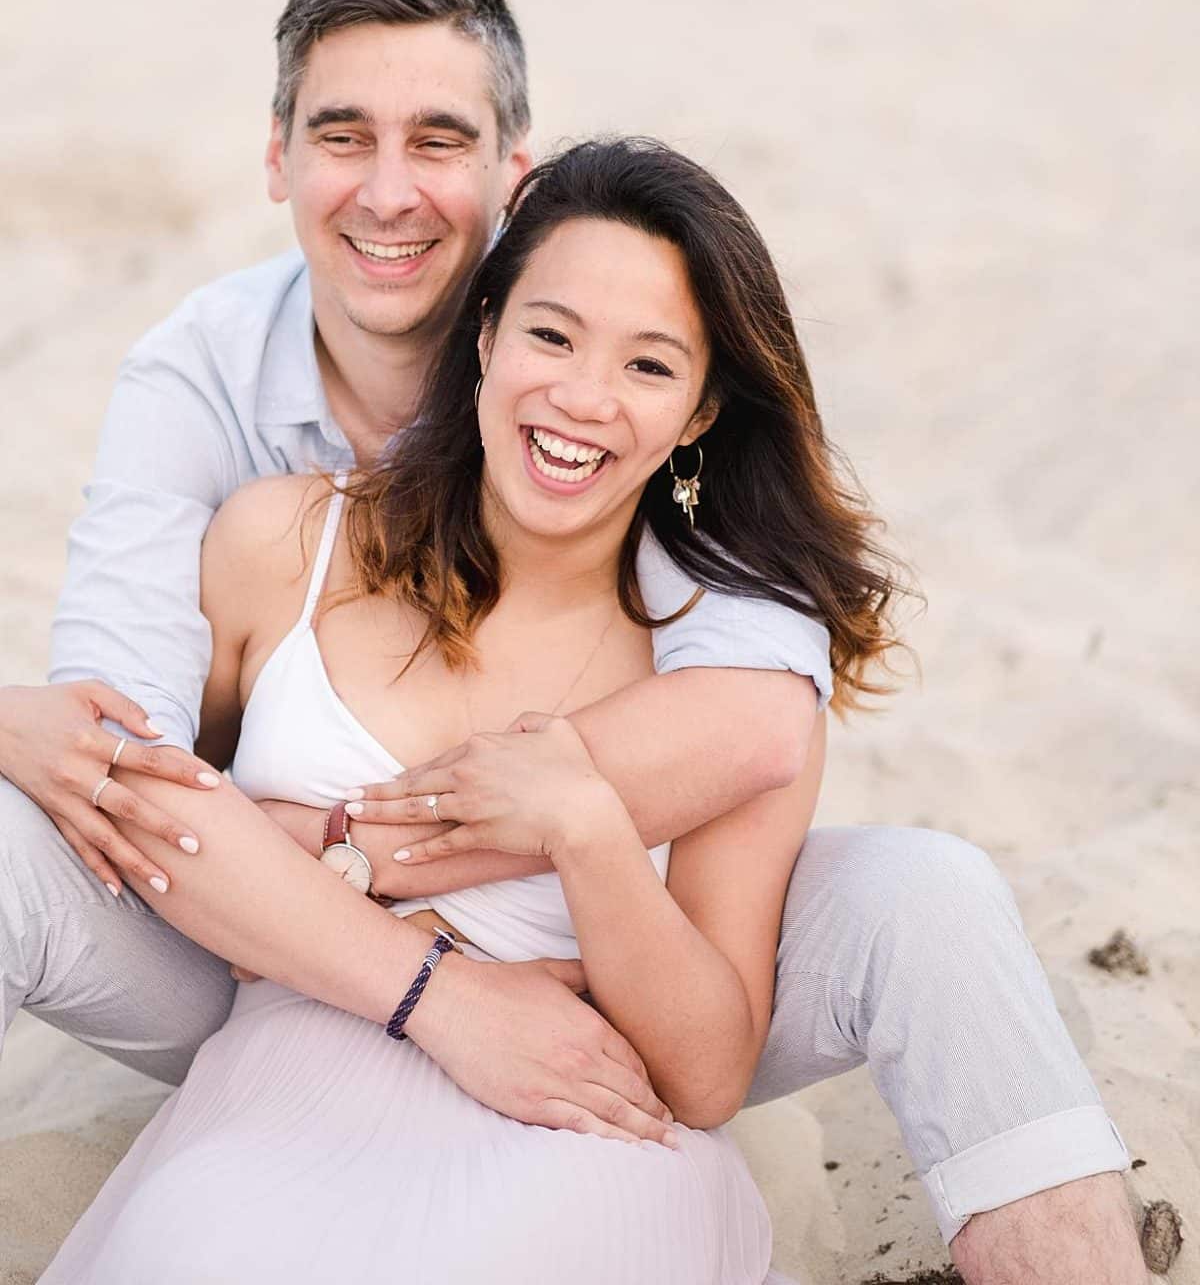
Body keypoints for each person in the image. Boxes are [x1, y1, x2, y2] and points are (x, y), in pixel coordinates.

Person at [0, 0, 1143, 1283]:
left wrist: (418, 840)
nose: (386, 191)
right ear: (280, 158)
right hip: (246, 961)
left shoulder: (704, 544)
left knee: (929, 895)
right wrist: (423, 970)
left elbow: (761, 735)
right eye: (342, 135)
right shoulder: (218, 417)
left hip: (590, 992)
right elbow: (121, 764)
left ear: (507, 172)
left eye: (437, 138)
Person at [42, 136, 860, 1280]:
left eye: (648, 366)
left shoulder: (723, 676)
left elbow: (710, 1070)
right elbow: (163, 810)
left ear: (698, 416)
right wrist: (425, 969)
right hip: (290, 1080)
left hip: (585, 1130)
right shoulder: (284, 543)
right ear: (483, 338)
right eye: (552, 334)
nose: (582, 398)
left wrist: (586, 830)